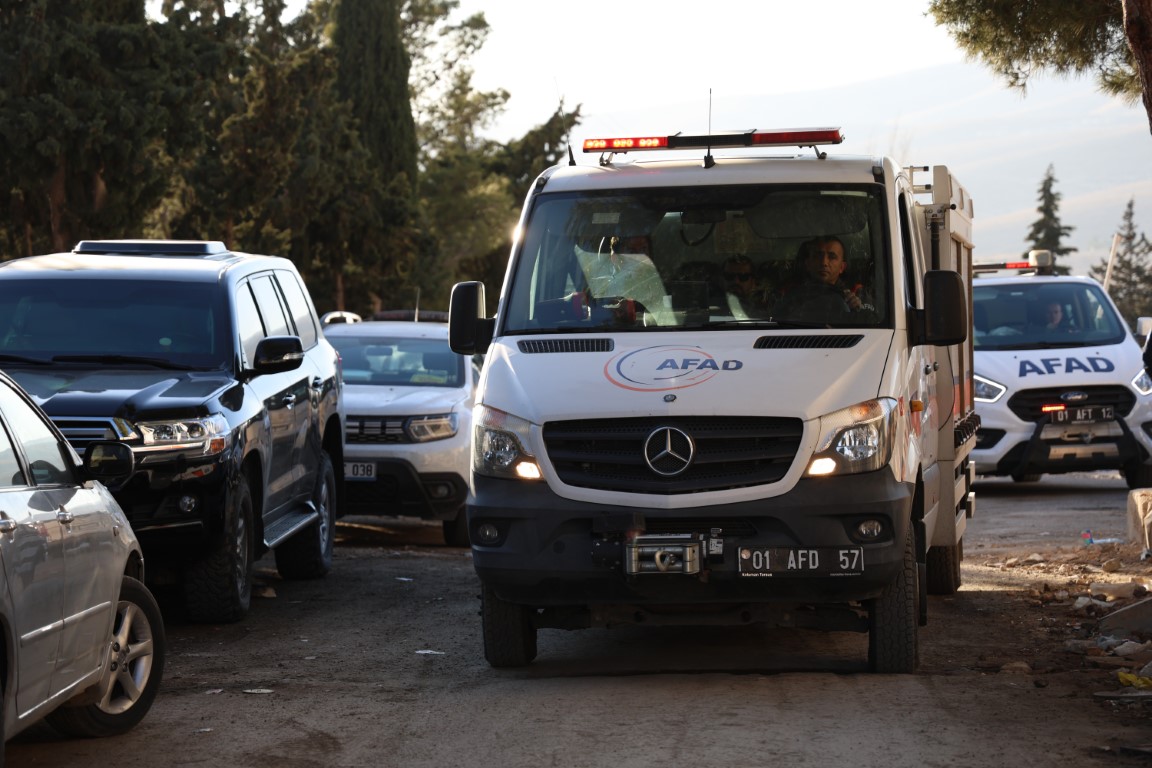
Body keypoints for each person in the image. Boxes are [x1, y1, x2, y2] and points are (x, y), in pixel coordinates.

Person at [775, 236, 875, 323]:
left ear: (842, 267)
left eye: (832, 257)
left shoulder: (857, 292)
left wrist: (858, 309)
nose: (824, 262)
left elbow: (872, 324)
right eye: (818, 256)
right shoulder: (790, 293)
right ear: (807, 264)